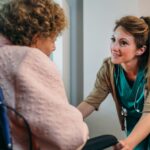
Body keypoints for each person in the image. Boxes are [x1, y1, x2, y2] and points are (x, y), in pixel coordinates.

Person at [0, 0, 89, 149]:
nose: (54, 47)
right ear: (37, 36)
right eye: (53, 39)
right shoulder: (27, 59)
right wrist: (80, 125)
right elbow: (69, 136)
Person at [78, 15, 150, 150]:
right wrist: (65, 121)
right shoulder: (109, 68)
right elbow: (92, 101)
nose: (114, 48)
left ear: (141, 50)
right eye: (113, 40)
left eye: (123, 43)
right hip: (135, 128)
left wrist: (128, 143)